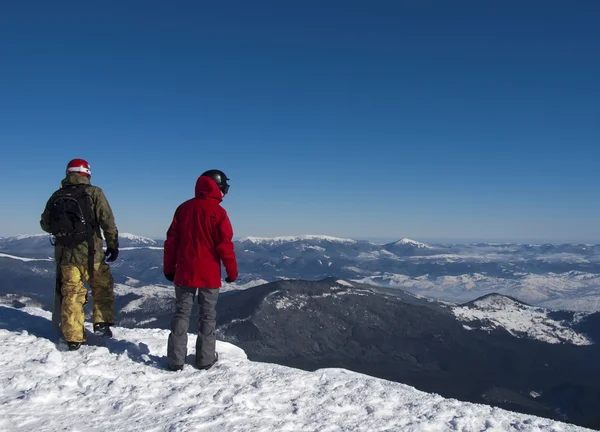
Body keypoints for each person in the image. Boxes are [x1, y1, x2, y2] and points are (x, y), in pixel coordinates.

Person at [40, 158, 119, 351]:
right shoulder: (93, 192)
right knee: (102, 286)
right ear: (87, 173)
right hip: (91, 253)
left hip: (65, 255)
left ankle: (73, 338)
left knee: (72, 293)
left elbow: (45, 224)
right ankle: (101, 322)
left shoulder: (56, 196)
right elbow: (107, 220)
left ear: (68, 173)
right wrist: (112, 244)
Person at [163, 169, 238, 371]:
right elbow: (225, 245)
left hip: (184, 272)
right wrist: (232, 271)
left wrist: (168, 268)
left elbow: (171, 242)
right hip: (209, 275)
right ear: (217, 187)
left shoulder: (183, 209)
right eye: (224, 188)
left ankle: (175, 360)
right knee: (207, 316)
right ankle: (205, 360)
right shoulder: (219, 213)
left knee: (181, 314)